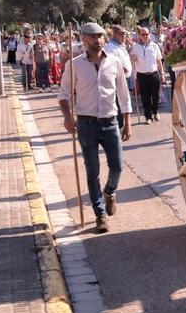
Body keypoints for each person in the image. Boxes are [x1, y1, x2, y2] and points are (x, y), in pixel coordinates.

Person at [57, 22, 132, 233]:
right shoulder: (74, 65)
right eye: (92, 36)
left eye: (100, 36)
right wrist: (67, 116)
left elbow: (123, 95)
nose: (97, 39)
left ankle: (110, 192)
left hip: (110, 122)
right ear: (83, 39)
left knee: (117, 166)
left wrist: (127, 122)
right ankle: (99, 215)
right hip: (86, 123)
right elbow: (63, 94)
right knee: (92, 171)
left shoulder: (114, 63)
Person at [132, 27, 166, 123]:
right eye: (143, 34)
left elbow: (159, 60)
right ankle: (148, 116)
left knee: (155, 96)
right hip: (141, 75)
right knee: (145, 97)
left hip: (153, 74)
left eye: (147, 34)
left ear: (149, 34)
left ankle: (156, 112)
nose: (145, 36)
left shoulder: (154, 46)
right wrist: (133, 59)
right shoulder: (136, 47)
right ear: (139, 35)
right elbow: (132, 60)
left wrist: (162, 73)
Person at [105, 25, 134, 127]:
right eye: (121, 34)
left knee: (124, 100)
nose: (124, 36)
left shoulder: (121, 45)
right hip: (117, 78)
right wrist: (121, 68)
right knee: (119, 101)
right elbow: (111, 61)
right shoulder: (110, 47)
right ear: (115, 34)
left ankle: (122, 123)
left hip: (126, 77)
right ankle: (119, 124)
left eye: (124, 34)